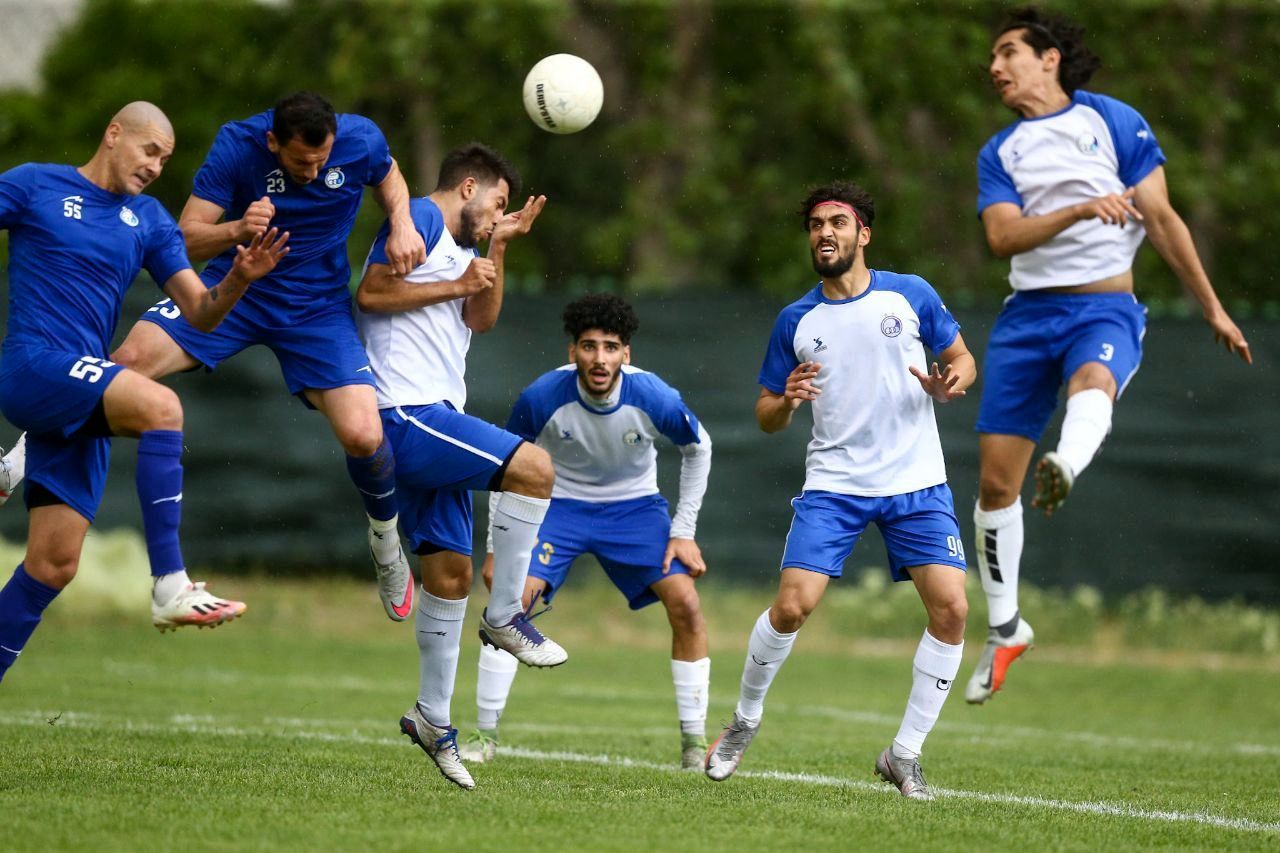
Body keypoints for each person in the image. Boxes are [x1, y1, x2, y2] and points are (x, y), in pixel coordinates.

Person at [0, 92, 427, 623]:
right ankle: (18, 460)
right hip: (236, 286)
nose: (314, 174)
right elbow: (186, 237)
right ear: (272, 143)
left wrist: (403, 222)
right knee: (127, 363)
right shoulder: (237, 144)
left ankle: (387, 546)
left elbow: (388, 175)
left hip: (316, 309)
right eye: (300, 163)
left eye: (323, 161)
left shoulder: (360, 137)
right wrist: (238, 232)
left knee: (365, 436)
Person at [966, 6, 1252, 705]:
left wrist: (1212, 306)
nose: (996, 68)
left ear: (1049, 58)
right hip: (1027, 318)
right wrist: (1079, 209)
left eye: (1009, 53)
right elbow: (1002, 239)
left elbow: (1161, 217)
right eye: (993, 60)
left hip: (1104, 306)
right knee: (997, 487)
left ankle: (1067, 460)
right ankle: (1006, 629)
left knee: (1096, 378)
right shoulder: (999, 151)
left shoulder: (1113, 121)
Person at [704, 182, 976, 801]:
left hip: (916, 483)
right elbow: (766, 414)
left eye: (837, 222)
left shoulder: (911, 294)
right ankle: (744, 721)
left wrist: (948, 383)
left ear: (863, 235)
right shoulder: (796, 320)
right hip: (836, 486)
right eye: (816, 226)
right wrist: (786, 403)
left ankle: (903, 755)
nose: (825, 233)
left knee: (954, 611)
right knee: (793, 606)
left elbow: (963, 360)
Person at [0, 102, 288, 684]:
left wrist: (238, 277)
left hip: (80, 390)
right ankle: (169, 584)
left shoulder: (150, 219)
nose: (157, 165)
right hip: (34, 365)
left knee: (53, 565)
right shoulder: (35, 185)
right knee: (162, 406)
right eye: (149, 150)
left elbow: (201, 314)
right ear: (113, 135)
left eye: (166, 158)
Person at [353, 143, 566, 790]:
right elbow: (369, 291)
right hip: (404, 410)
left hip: (433, 410)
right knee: (535, 468)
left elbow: (482, 316)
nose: (497, 213)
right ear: (468, 185)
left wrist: (496, 252)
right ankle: (504, 616)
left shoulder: (468, 249)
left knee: (448, 573)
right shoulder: (415, 216)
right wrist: (454, 279)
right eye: (496, 204)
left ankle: (432, 718)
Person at [460, 293, 713, 770]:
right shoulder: (541, 397)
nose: (600, 359)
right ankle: (483, 736)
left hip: (635, 510)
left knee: (687, 604)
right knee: (509, 606)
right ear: (572, 351)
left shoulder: (655, 396)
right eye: (589, 346)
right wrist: (497, 547)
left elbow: (699, 448)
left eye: (611, 347)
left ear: (626, 354)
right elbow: (507, 468)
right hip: (559, 508)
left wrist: (683, 530)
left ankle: (694, 745)